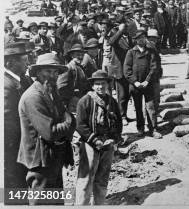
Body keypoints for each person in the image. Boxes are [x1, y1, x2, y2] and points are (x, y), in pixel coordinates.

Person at [17, 53, 76, 205]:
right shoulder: (33, 96)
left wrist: (68, 120)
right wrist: (69, 123)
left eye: (56, 72)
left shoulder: (50, 91)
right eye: (48, 71)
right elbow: (50, 132)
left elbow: (66, 116)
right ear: (38, 72)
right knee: (41, 202)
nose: (53, 75)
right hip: (40, 161)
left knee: (55, 201)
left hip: (53, 156)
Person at [75, 70, 122, 205]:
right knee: (86, 179)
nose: (100, 87)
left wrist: (115, 138)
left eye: (103, 83)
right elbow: (80, 124)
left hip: (108, 144)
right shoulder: (85, 101)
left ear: (107, 85)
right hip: (91, 143)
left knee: (102, 178)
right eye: (97, 84)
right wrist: (95, 140)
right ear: (92, 86)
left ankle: (99, 204)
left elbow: (118, 121)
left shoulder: (111, 101)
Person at [4, 42, 32, 200]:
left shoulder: (24, 79)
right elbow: (8, 124)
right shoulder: (6, 86)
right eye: (25, 59)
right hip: (12, 149)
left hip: (23, 145)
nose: (28, 63)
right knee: (14, 186)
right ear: (10, 63)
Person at [124, 30, 161, 137]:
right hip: (135, 86)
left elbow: (154, 67)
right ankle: (140, 128)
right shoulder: (131, 52)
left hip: (148, 84)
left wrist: (147, 81)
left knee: (151, 107)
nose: (141, 40)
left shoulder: (150, 51)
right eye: (139, 38)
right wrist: (135, 82)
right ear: (135, 40)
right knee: (138, 107)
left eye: (143, 37)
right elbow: (127, 70)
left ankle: (153, 129)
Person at [57, 43, 91, 113]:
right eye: (78, 55)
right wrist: (72, 98)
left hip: (81, 99)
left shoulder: (81, 67)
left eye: (82, 55)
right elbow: (61, 88)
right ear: (72, 56)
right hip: (72, 103)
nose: (80, 57)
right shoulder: (68, 68)